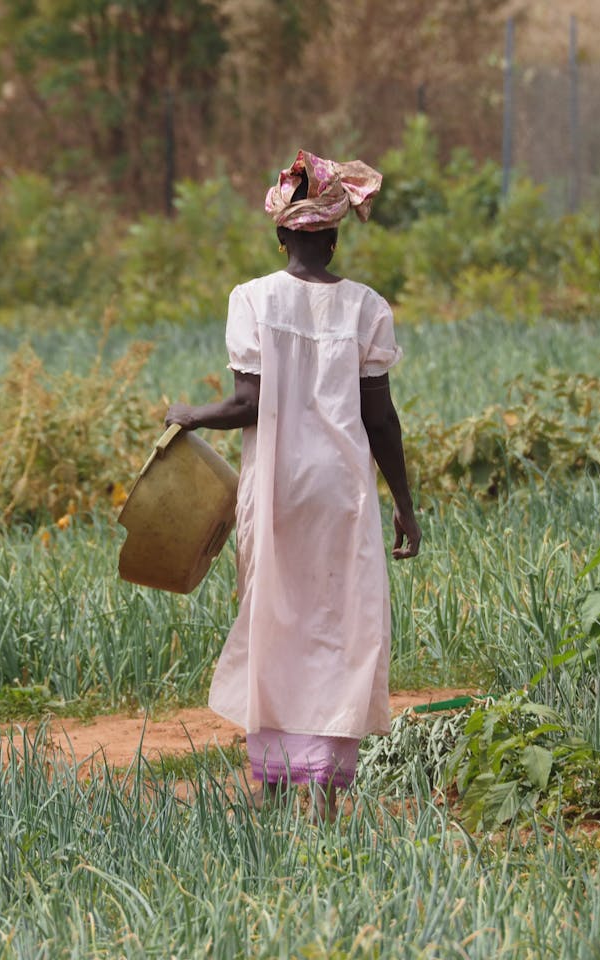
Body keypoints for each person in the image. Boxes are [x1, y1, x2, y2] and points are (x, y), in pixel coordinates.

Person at [165, 150, 421, 820]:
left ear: (282, 234)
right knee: (341, 624)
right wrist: (405, 504)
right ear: (334, 235)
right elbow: (381, 419)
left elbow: (249, 404)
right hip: (343, 494)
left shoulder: (252, 300)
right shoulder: (367, 308)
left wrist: (190, 414)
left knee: (275, 620)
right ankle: (328, 797)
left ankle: (273, 786)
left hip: (276, 489)